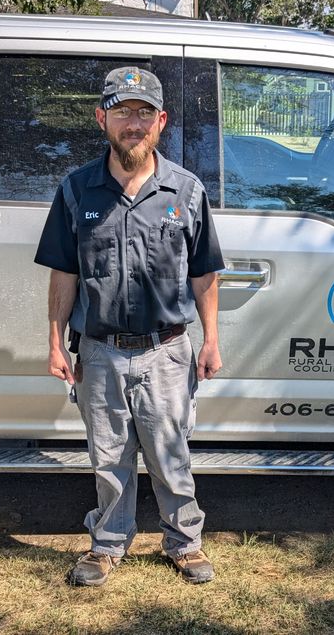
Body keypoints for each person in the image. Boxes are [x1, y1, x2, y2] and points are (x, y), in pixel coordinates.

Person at [34, 66, 224, 586]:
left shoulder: (185, 191)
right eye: (122, 112)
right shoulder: (76, 191)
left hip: (167, 349)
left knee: (170, 454)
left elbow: (205, 273)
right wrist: (55, 344)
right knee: (109, 457)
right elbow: (63, 273)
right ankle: (107, 544)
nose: (133, 123)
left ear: (160, 121)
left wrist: (211, 341)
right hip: (98, 351)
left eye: (144, 113)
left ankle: (184, 542)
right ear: (103, 119)